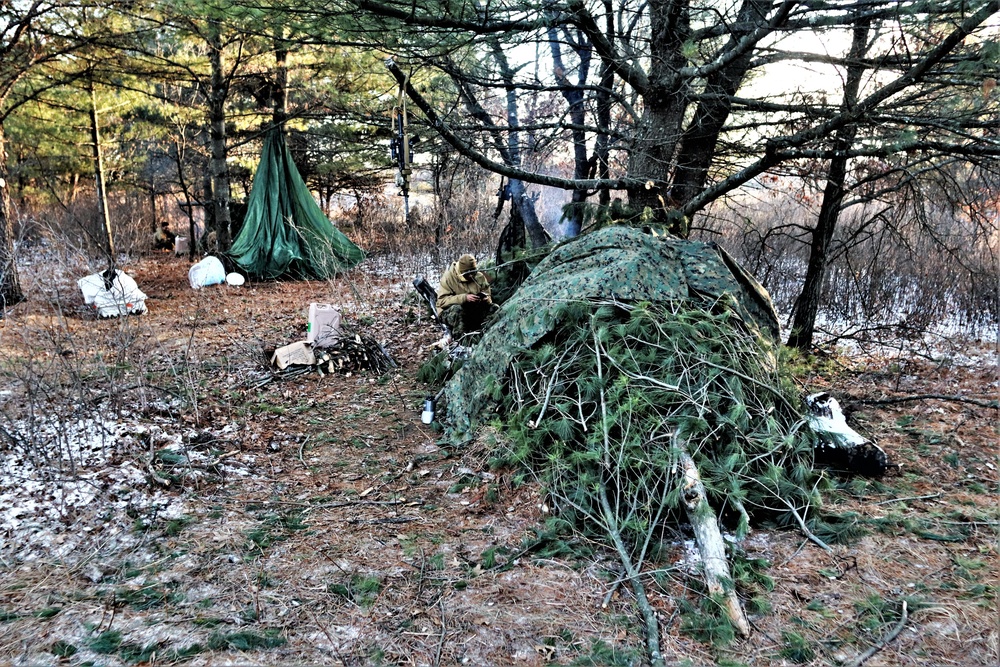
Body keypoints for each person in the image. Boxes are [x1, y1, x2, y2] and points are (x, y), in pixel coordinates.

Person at [436, 253, 495, 336]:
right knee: (458, 310)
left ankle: (489, 336)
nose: (471, 276)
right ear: (461, 271)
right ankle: (461, 341)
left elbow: (487, 292)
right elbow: (441, 302)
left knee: (494, 308)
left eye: (473, 272)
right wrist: (464, 298)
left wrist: (486, 299)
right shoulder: (448, 278)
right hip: (449, 311)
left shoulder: (479, 276)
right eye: (467, 273)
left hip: (472, 309)